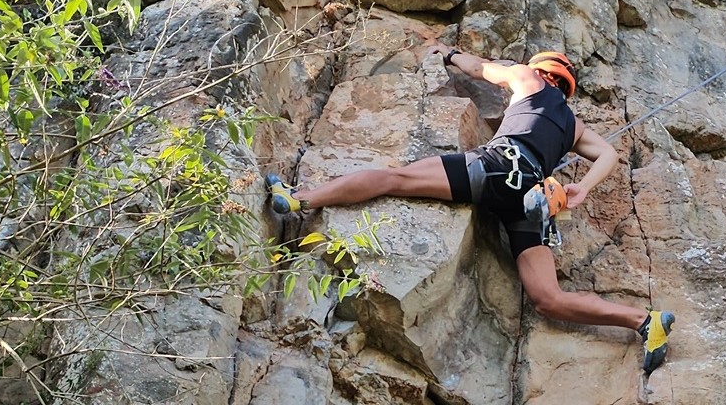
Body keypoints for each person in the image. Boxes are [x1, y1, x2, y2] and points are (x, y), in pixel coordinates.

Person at [265, 44, 676, 373]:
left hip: (498, 167)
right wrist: (581, 188)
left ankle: (300, 198)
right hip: (529, 197)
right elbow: (608, 155)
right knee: (547, 298)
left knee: (395, 179)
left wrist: (447, 54)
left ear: (543, 71)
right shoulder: (573, 126)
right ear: (566, 85)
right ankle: (644, 322)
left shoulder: (526, 76)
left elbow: (480, 69)